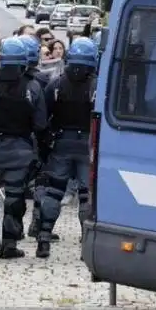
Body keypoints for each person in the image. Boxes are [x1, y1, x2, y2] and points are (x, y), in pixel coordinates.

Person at [0, 38, 47, 259]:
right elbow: (41, 124)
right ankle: (9, 244)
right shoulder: (32, 87)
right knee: (15, 199)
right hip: (21, 151)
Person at [34, 39, 97, 258]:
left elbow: (43, 117)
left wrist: (45, 142)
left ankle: (43, 239)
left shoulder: (56, 84)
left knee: (54, 191)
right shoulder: (97, 87)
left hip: (61, 142)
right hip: (88, 144)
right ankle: (86, 245)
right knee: (85, 195)